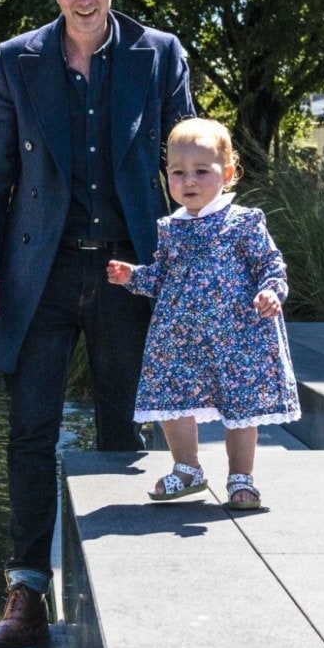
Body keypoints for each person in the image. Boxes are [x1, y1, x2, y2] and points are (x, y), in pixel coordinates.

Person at [0, 0, 195, 648]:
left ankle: (121, 595)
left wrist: (201, 254)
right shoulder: (15, 62)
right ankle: (27, 590)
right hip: (42, 268)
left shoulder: (159, 56)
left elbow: (190, 158)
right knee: (30, 429)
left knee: (124, 432)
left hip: (131, 266)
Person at [106, 118, 299, 507]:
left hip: (236, 337)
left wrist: (271, 291)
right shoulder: (170, 228)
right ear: (167, 177)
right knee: (173, 399)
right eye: (178, 173)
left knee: (239, 408)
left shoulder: (245, 222)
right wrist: (133, 276)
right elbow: (163, 278)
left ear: (227, 174)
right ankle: (187, 468)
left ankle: (241, 478)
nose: (189, 181)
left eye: (201, 171)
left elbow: (270, 265)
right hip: (179, 338)